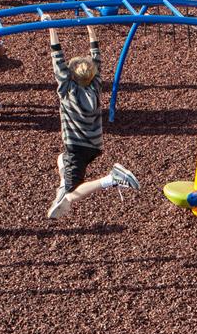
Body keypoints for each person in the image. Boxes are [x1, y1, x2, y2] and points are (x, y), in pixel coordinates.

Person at [46, 23, 140, 219]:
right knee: (60, 159)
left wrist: (51, 28)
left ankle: (111, 179)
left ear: (71, 77)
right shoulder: (94, 87)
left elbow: (58, 61)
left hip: (77, 147)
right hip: (94, 145)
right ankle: (65, 185)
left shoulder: (68, 91)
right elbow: (95, 59)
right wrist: (92, 32)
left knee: (72, 194)